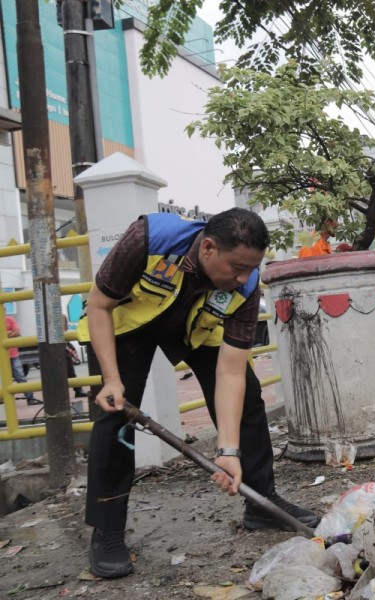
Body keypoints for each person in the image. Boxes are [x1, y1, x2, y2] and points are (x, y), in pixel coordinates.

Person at [77, 208, 320, 579]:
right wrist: (111, 379)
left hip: (192, 325)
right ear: (208, 248)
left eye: (250, 269)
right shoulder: (148, 240)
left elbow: (231, 370)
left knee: (249, 397)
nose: (242, 277)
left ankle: (260, 502)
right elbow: (99, 305)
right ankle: (107, 530)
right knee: (116, 417)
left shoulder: (246, 284)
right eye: (237, 267)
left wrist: (227, 450)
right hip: (128, 324)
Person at [5, 315, 38, 405]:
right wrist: (10, 333)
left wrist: (5, 335)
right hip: (5, 355)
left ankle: (30, 398)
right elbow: (15, 332)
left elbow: (18, 333)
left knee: (20, 377)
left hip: (13, 354)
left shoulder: (9, 319)